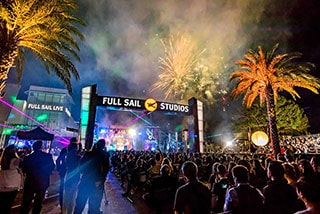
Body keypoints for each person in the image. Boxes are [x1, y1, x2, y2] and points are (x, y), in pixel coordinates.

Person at [74, 139, 110, 214]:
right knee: (94, 207)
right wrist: (101, 180)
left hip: (85, 181)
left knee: (79, 206)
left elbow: (81, 167)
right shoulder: (105, 155)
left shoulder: (88, 154)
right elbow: (106, 170)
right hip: (97, 184)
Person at [20, 140, 55, 214]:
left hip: (30, 181)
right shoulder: (47, 156)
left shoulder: (28, 157)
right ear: (41, 147)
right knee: (38, 202)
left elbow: (24, 168)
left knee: (26, 201)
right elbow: (52, 167)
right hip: (42, 180)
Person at [56, 137, 78, 210]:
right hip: (71, 173)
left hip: (65, 172)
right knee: (71, 191)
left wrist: (60, 169)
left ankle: (63, 206)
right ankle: (68, 208)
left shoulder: (65, 150)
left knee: (63, 189)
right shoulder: (76, 152)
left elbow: (58, 160)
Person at [0, 145, 23, 214]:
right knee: (8, 204)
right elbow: (22, 164)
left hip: (2, 183)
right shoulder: (15, 160)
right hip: (12, 185)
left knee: (2, 204)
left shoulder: (3, 159)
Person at [63, 140, 81, 214]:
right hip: (75, 177)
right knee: (72, 196)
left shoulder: (67, 157)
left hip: (68, 175)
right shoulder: (78, 157)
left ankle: (65, 211)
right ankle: (70, 212)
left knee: (67, 195)